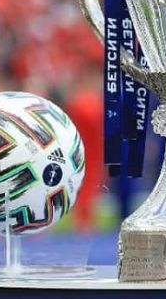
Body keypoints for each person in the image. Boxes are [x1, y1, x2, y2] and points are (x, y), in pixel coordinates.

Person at [65, 74, 103, 231]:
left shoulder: (78, 101)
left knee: (84, 184)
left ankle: (83, 220)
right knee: (88, 184)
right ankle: (84, 221)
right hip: (91, 151)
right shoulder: (91, 102)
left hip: (82, 149)